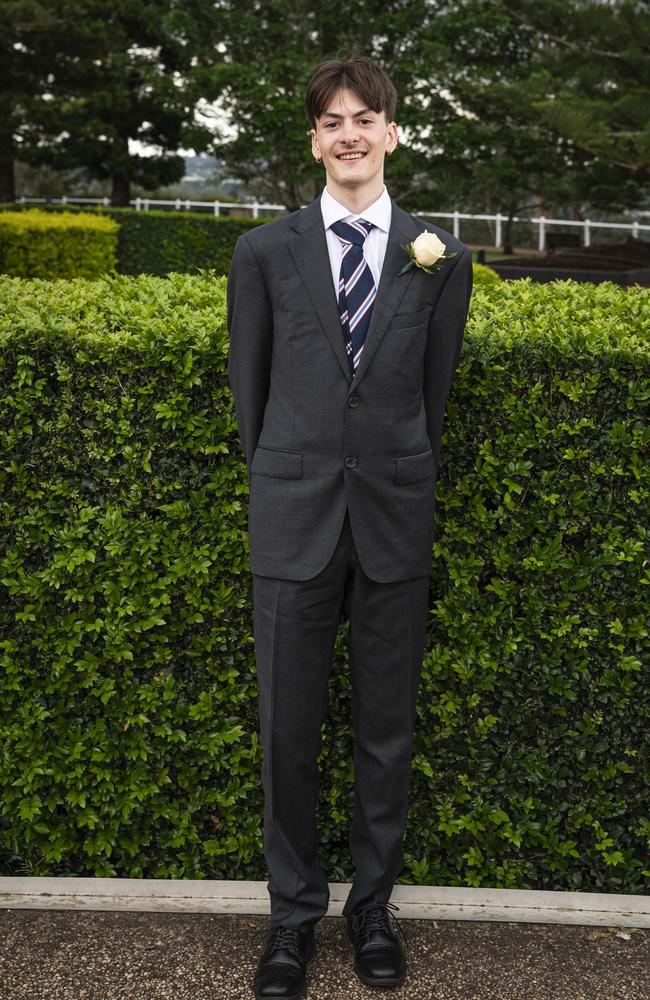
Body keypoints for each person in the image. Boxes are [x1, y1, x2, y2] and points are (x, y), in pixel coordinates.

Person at [227, 53, 473, 1000]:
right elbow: (252, 398)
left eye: (366, 117)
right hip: (293, 520)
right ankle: (292, 919)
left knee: (385, 730)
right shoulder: (263, 253)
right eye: (332, 121)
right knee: (287, 733)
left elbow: (431, 395)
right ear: (315, 140)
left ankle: (373, 907)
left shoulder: (440, 259)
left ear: (393, 132)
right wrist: (292, 474)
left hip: (393, 522)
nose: (350, 134)